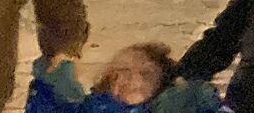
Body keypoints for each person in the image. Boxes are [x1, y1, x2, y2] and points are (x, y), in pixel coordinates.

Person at [26, 42, 221, 113]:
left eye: (145, 74)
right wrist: (54, 80)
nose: (132, 80)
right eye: (122, 71)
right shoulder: (93, 107)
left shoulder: (180, 105)